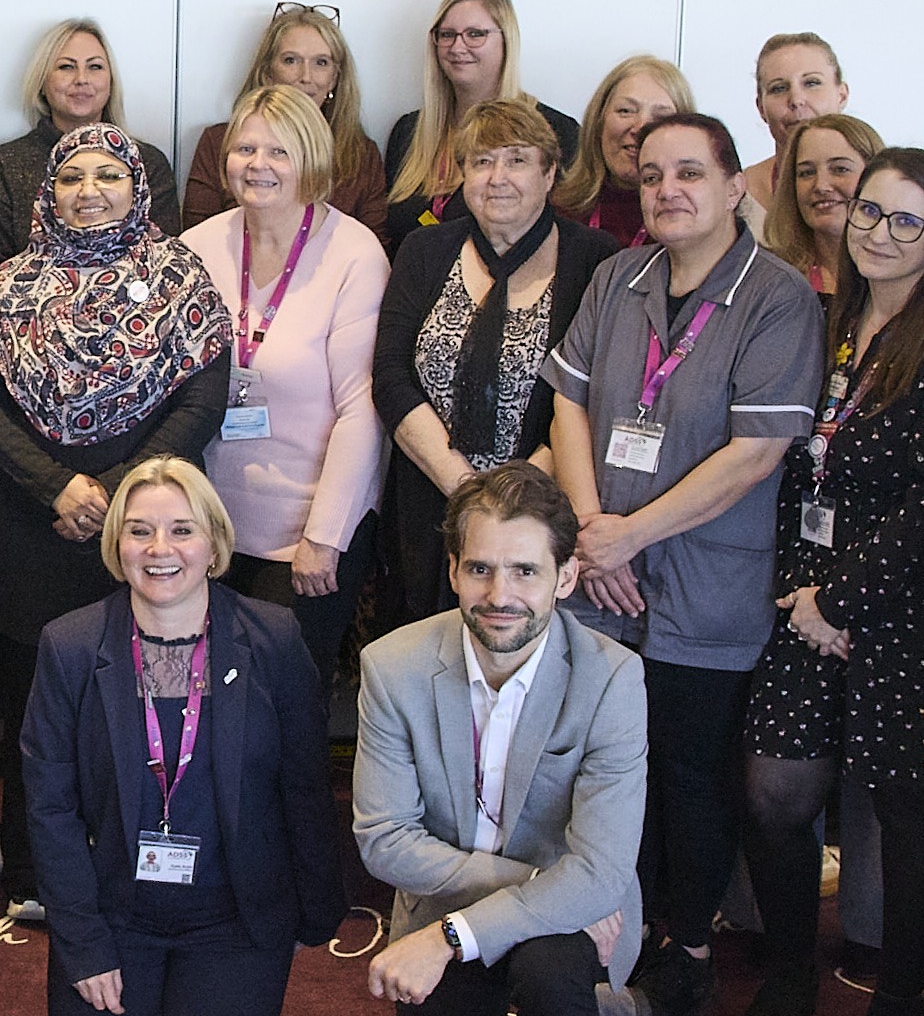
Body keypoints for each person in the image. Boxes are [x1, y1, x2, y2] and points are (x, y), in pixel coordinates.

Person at [351, 462, 646, 1016]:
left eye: (524, 571)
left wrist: (452, 937)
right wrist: (524, 895)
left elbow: (600, 874)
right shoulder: (394, 666)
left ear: (565, 575)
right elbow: (383, 841)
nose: (499, 593)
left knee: (557, 977)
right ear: (451, 571)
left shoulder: (610, 678)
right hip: (498, 901)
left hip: (566, 929)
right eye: (479, 568)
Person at [733, 148, 924, 1016]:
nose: (877, 233)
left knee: (905, 812)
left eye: (904, 221)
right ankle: (787, 968)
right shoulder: (822, 323)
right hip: (800, 590)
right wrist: (799, 593)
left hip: (898, 605)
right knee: (776, 792)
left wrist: (839, 599)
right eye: (867, 212)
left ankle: (901, 1010)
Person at [543, 112, 820, 1016]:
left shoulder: (778, 297)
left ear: (736, 185)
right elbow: (569, 411)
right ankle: (610, 927)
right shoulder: (619, 277)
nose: (667, 189)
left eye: (690, 172)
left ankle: (689, 948)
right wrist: (591, 530)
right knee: (607, 765)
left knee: (691, 774)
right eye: (653, 173)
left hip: (708, 580)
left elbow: (756, 452)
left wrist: (628, 537)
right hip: (603, 571)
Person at [22, 459, 345, 1016]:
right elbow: (49, 809)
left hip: (230, 920)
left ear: (214, 544)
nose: (159, 550)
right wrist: (83, 945)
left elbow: (303, 785)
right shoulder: (71, 646)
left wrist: (315, 909)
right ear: (115, 545)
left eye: (179, 530)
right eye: (139, 531)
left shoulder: (274, 639)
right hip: (118, 916)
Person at [0, 124, 232, 920]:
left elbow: (201, 402)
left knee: (150, 707)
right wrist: (57, 487)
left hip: (144, 532)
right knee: (32, 716)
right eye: (71, 176)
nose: (88, 191)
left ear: (137, 186)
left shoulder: (180, 277)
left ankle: (139, 863)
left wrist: (114, 496)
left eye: (107, 175)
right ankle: (32, 875)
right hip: (30, 524)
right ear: (49, 189)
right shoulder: (14, 281)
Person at [373, 102, 619, 624]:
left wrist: (515, 497)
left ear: (550, 173)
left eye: (517, 161)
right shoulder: (425, 249)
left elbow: (595, 391)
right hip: (429, 500)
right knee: (423, 656)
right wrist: (467, 490)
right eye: (482, 162)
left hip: (544, 509)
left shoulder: (595, 260)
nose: (498, 178)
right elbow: (392, 376)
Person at [187, 83, 389, 673]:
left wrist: (325, 537)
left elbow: (362, 410)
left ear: (312, 159)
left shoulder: (355, 253)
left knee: (285, 702)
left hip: (305, 533)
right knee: (211, 695)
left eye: (279, 151)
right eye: (245, 149)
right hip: (209, 527)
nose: (258, 166)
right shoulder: (197, 247)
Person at [0, 19, 183, 264]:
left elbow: (165, 258)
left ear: (110, 82)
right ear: (42, 82)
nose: (81, 78)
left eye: (95, 67)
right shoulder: (2, 165)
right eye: (66, 67)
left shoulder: (147, 162)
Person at [380, 0, 578, 237]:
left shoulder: (555, 130)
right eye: (447, 35)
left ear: (506, 39)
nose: (457, 47)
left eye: (474, 34)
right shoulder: (409, 132)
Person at [185, 3, 390, 234]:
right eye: (291, 60)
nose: (306, 77)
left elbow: (375, 244)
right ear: (267, 72)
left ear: (334, 78)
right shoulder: (219, 142)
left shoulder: (361, 155)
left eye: (321, 62)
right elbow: (195, 242)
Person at [550, 55, 693, 248]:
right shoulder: (554, 211)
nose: (640, 127)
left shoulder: (693, 225)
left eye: (660, 116)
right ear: (599, 120)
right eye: (626, 111)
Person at [759, 112, 881, 287]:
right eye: (807, 173)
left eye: (840, 169)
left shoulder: (906, 275)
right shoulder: (770, 278)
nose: (821, 186)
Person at [750, 32, 851, 155]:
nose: (796, 100)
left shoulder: (877, 173)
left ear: (842, 96)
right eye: (779, 88)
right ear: (761, 108)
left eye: (811, 83)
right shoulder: (744, 175)